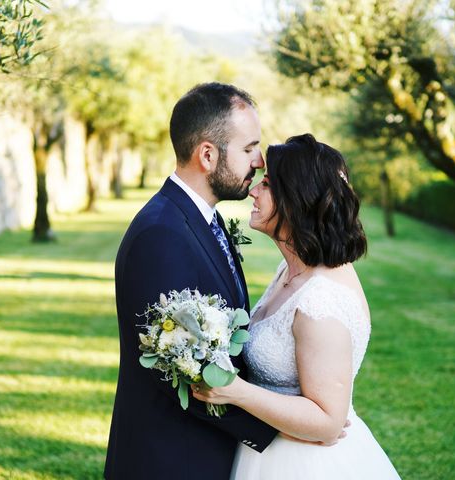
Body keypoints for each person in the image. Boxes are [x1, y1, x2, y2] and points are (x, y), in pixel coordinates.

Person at [192, 133, 402, 479]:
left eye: (268, 184)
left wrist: (235, 391)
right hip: (264, 450)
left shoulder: (322, 301)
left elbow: (328, 423)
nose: (253, 191)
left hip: (305, 465)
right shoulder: (291, 270)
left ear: (297, 200)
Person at [103, 82, 280, 480]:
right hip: (171, 459)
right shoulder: (161, 234)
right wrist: (279, 429)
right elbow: (178, 370)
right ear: (207, 154)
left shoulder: (203, 219)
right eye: (250, 148)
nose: (260, 160)